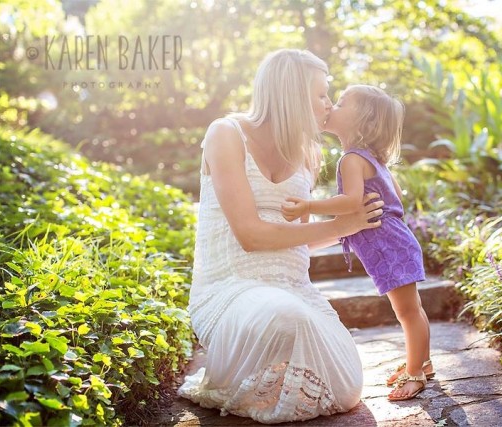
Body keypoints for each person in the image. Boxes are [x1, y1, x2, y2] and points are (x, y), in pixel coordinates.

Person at [177, 50, 385, 424]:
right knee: (284, 318)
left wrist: (360, 223)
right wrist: (341, 226)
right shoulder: (226, 133)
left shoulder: (308, 153)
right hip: (230, 288)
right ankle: (240, 380)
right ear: (291, 93)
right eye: (321, 94)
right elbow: (251, 235)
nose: (328, 104)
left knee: (347, 385)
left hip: (293, 289)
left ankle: (265, 378)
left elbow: (299, 238)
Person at [281, 85, 434, 401]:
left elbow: (351, 202)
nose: (331, 106)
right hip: (397, 242)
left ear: (362, 119)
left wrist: (309, 205)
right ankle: (423, 362)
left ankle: (416, 374)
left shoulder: (351, 159)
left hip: (389, 247)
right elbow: (397, 197)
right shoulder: (373, 159)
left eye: (340, 103)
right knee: (412, 309)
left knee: (407, 312)